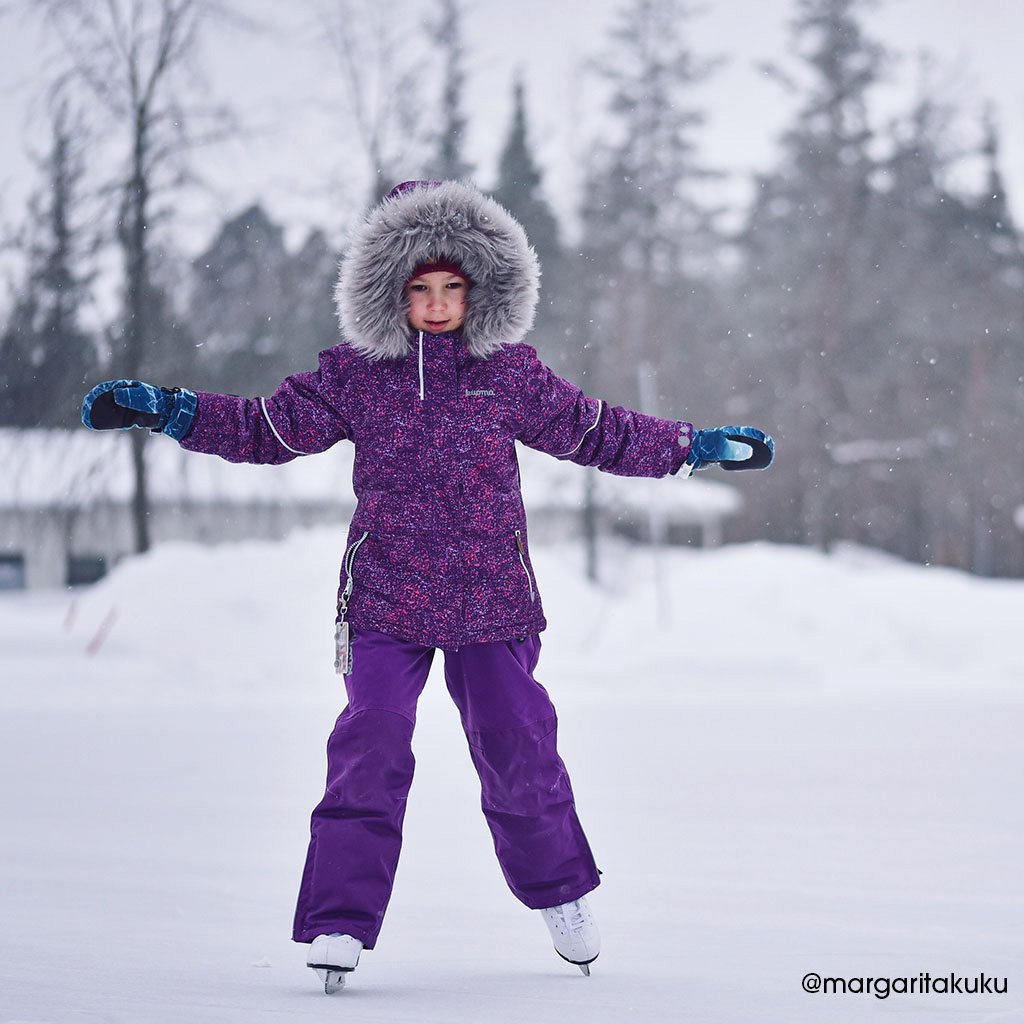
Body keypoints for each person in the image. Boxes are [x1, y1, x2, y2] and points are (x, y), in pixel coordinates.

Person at [81, 179, 774, 994]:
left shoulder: (507, 373)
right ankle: (340, 917)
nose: (438, 304)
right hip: (386, 597)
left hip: (491, 594)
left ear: (480, 289)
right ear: (389, 290)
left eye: (453, 287)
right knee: (370, 740)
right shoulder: (354, 376)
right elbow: (264, 429)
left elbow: (599, 431)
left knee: (519, 744)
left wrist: (696, 446)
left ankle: (561, 896)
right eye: (420, 289)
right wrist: (169, 410)